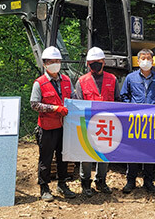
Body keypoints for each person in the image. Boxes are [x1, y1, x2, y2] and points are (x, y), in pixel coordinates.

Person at [30, 46, 76, 201]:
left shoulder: (67, 81)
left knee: (64, 157)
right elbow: (34, 105)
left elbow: (73, 99)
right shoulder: (40, 83)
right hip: (47, 128)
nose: (55, 63)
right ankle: (44, 188)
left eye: (57, 61)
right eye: (52, 61)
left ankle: (62, 184)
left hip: (65, 127)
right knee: (46, 158)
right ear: (45, 64)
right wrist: (55, 108)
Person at [120, 49, 155, 194]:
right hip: (135, 122)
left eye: (148, 58)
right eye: (143, 58)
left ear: (152, 61)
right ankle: (131, 181)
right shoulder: (130, 78)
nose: (145, 61)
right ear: (138, 61)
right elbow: (124, 96)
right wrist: (131, 110)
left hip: (153, 122)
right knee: (133, 151)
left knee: (150, 151)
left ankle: (148, 181)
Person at [75, 46, 120, 197]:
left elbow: (118, 101)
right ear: (88, 64)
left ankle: (101, 181)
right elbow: (79, 104)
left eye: (98, 62)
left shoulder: (112, 79)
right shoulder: (81, 81)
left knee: (104, 155)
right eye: (92, 62)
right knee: (86, 156)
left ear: (103, 62)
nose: (96, 65)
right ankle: (85, 183)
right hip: (88, 125)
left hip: (107, 124)